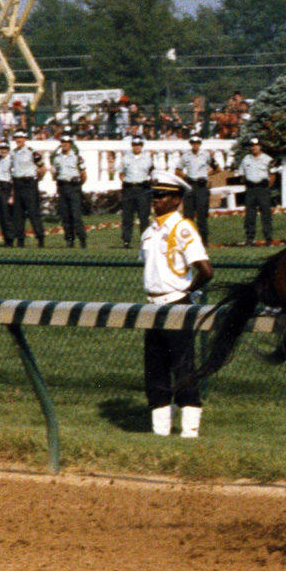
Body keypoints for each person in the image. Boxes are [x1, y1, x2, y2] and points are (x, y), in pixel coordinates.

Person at [140, 173, 213, 438]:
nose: (156, 200)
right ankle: (160, 430)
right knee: (155, 368)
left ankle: (189, 430)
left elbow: (205, 270)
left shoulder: (182, 229)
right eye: (154, 195)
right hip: (152, 304)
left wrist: (187, 291)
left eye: (162, 196)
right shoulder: (150, 230)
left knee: (182, 366)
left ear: (177, 200)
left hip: (176, 302)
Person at [9, 130, 46, 247]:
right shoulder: (13, 153)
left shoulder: (32, 152)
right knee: (18, 214)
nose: (19, 140)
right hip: (18, 184)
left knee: (33, 212)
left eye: (21, 138)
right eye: (17, 138)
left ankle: (40, 238)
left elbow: (43, 168)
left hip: (29, 183)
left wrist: (36, 180)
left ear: (25, 139)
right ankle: (20, 239)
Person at [176, 135, 216, 242]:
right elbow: (178, 170)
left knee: (202, 214)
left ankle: (204, 239)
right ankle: (188, 238)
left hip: (201, 186)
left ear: (200, 144)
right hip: (190, 186)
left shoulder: (206, 155)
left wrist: (206, 175)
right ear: (190, 144)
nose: (195, 145)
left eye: (197, 143)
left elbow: (217, 168)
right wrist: (185, 176)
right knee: (188, 214)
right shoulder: (186, 156)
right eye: (193, 143)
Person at [52, 130, 87, 248]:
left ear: (71, 143)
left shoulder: (77, 158)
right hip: (63, 187)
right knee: (65, 216)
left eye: (67, 142)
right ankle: (69, 240)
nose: (65, 144)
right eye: (63, 142)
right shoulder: (57, 158)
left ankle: (82, 239)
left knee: (76, 215)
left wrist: (77, 186)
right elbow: (55, 174)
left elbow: (84, 175)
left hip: (74, 187)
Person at [239, 137, 276, 245]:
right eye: (252, 145)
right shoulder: (246, 159)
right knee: (250, 215)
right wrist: (248, 185)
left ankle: (268, 238)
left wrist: (267, 188)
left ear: (260, 146)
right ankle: (250, 238)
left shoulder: (267, 159)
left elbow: (273, 174)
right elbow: (242, 174)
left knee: (266, 215)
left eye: (256, 145)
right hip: (251, 190)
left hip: (263, 189)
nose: (254, 148)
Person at [119, 136, 154, 248]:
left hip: (142, 188)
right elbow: (121, 173)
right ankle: (126, 241)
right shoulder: (126, 158)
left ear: (142, 146)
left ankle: (145, 241)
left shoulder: (147, 158)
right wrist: (126, 182)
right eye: (135, 145)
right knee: (127, 216)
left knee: (144, 216)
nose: (137, 147)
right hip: (129, 189)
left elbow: (152, 172)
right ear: (132, 145)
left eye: (139, 145)